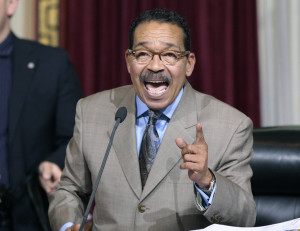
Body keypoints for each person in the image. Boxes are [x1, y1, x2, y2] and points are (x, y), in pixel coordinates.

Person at [48, 8, 256, 231]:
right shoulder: (92, 112)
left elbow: (245, 217)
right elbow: (69, 189)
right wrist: (69, 224)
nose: (155, 66)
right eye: (143, 54)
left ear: (189, 63)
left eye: (169, 55)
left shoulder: (231, 126)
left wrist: (207, 181)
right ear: (129, 61)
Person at [0, 0, 83, 230]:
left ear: (11, 5)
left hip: (28, 214)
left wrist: (51, 163)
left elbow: (75, 137)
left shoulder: (52, 64)